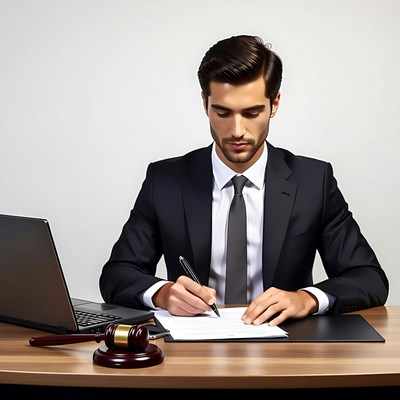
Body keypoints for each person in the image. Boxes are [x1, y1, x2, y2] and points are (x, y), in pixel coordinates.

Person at [99, 35, 389, 327]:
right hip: (192, 349)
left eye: (252, 113)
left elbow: (369, 278)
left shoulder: (313, 181)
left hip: (287, 349)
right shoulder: (165, 181)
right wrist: (162, 293)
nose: (237, 130)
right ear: (205, 104)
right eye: (222, 112)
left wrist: (306, 298)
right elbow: (118, 273)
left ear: (274, 104)